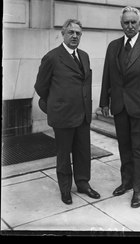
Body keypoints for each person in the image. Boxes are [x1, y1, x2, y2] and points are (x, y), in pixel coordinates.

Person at [99, 6, 140, 208]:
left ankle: (138, 189)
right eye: (126, 22)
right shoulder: (113, 46)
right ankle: (126, 182)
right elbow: (107, 76)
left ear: (139, 23)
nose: (130, 25)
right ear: (121, 24)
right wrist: (103, 102)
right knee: (124, 147)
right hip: (119, 106)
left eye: (133, 22)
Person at [35, 19, 100, 205]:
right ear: (63, 34)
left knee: (83, 151)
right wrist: (57, 103)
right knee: (64, 154)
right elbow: (41, 86)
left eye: (78, 33)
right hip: (63, 114)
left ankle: (83, 183)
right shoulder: (52, 57)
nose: (74, 36)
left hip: (83, 114)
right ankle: (65, 189)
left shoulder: (85, 56)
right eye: (70, 32)